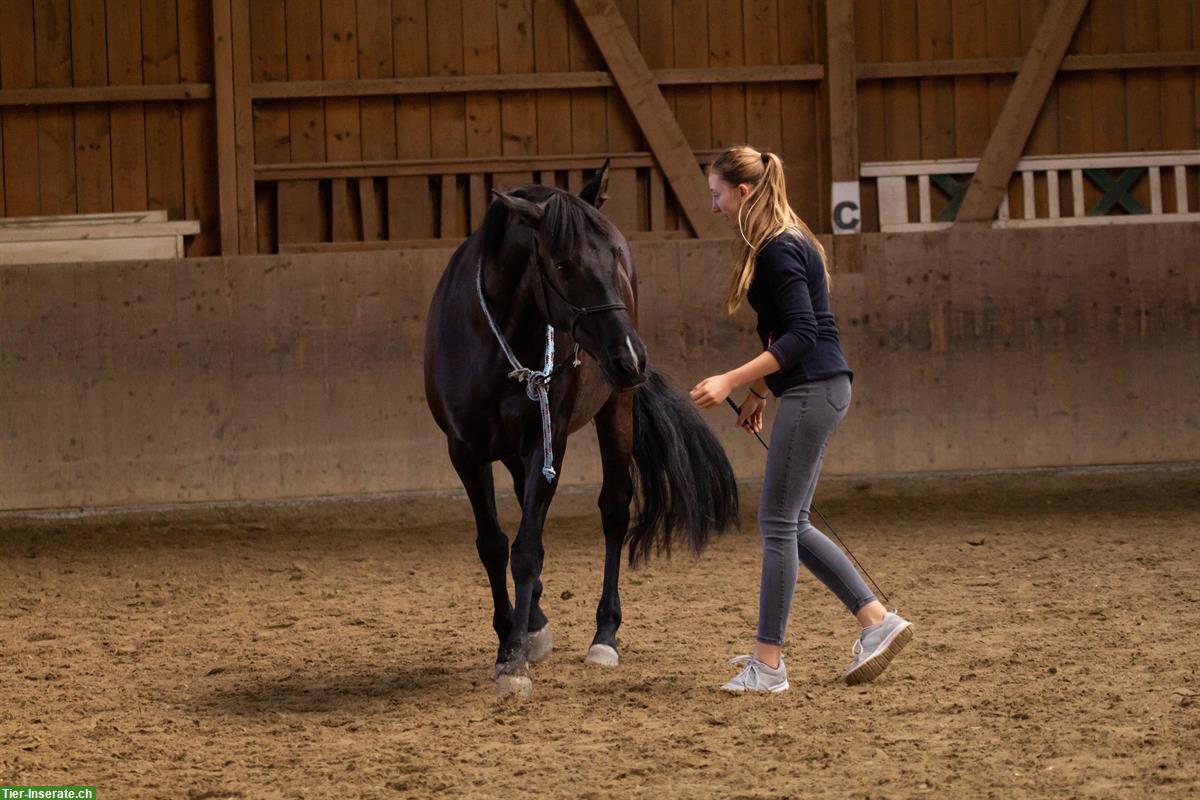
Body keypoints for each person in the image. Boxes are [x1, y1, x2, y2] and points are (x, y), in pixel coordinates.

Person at [689, 145, 912, 692]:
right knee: (793, 523)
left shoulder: (779, 250)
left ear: (743, 193)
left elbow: (802, 335)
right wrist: (763, 392)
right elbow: (791, 332)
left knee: (776, 523)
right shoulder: (787, 241)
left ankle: (768, 665)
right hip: (815, 389)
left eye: (717, 194)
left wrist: (732, 381)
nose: (714, 206)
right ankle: (876, 622)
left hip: (815, 390)